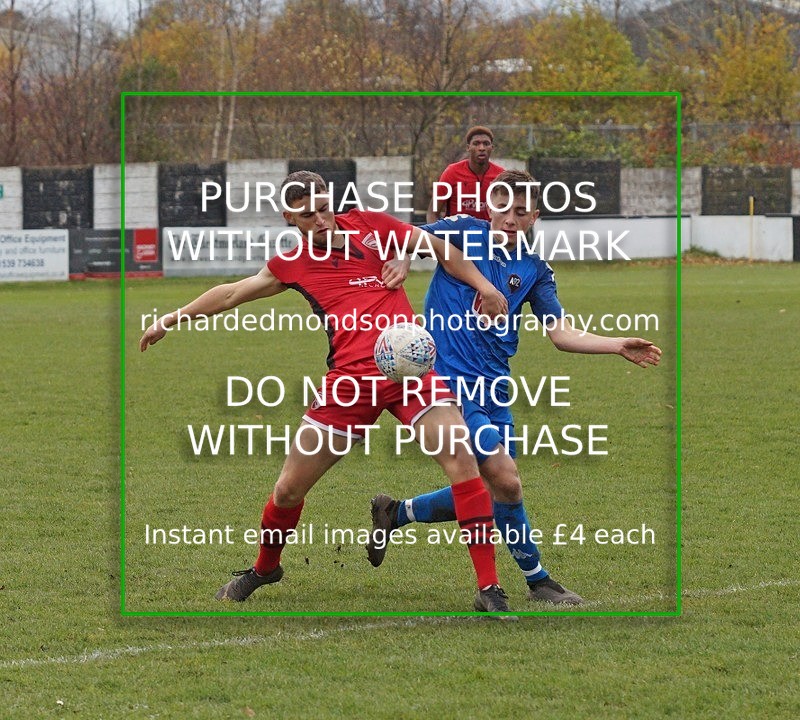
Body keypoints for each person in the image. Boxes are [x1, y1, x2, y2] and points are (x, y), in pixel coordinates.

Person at [139, 170, 516, 614]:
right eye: (307, 214)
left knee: (461, 456)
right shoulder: (293, 263)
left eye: (324, 207)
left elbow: (442, 250)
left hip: (411, 371)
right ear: (289, 219)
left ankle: (489, 587)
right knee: (287, 491)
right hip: (349, 384)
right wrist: (171, 318)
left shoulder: (372, 226)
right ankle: (264, 569)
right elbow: (231, 294)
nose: (320, 219)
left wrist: (485, 286)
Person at [368, 169, 662, 605]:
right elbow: (404, 235)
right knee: (505, 480)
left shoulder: (536, 270)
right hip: (447, 385)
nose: (509, 217)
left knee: (493, 488)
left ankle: (396, 513)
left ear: (534, 217)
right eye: (502, 207)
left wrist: (616, 343)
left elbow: (561, 334)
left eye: (520, 211)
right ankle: (538, 579)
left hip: (495, 390)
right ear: (489, 205)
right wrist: (408, 255)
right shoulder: (462, 231)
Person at [426, 126, 505, 223]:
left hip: (487, 235)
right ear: (468, 147)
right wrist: (438, 236)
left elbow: (507, 212)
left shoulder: (501, 175)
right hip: (456, 235)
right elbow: (432, 213)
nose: (481, 148)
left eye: (486, 144)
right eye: (476, 144)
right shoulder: (452, 172)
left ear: (492, 148)